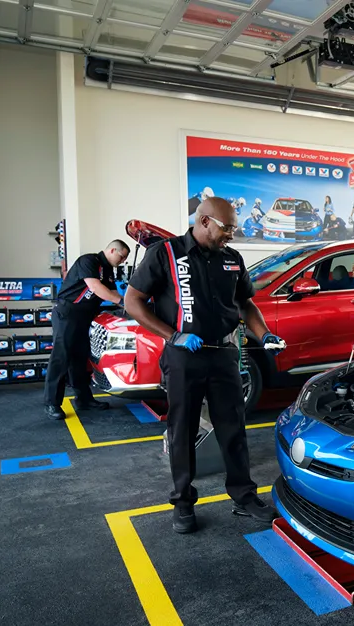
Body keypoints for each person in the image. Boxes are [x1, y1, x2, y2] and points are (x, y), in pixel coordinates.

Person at [124, 198, 287, 534]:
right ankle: (183, 501)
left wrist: (264, 334)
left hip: (224, 354)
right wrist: (173, 336)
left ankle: (244, 496)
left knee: (233, 427)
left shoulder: (232, 258)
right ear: (203, 221)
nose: (230, 234)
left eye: (233, 228)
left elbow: (245, 304)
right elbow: (132, 301)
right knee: (182, 430)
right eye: (226, 228)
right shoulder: (165, 254)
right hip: (184, 357)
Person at [43, 240, 130, 420]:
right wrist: (123, 302)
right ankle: (51, 403)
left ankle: (84, 400)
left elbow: (114, 292)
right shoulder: (89, 261)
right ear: (112, 250)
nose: (122, 261)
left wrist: (130, 300)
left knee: (80, 359)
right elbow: (96, 287)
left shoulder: (108, 271)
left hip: (83, 317)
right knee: (61, 358)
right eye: (122, 256)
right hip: (67, 313)